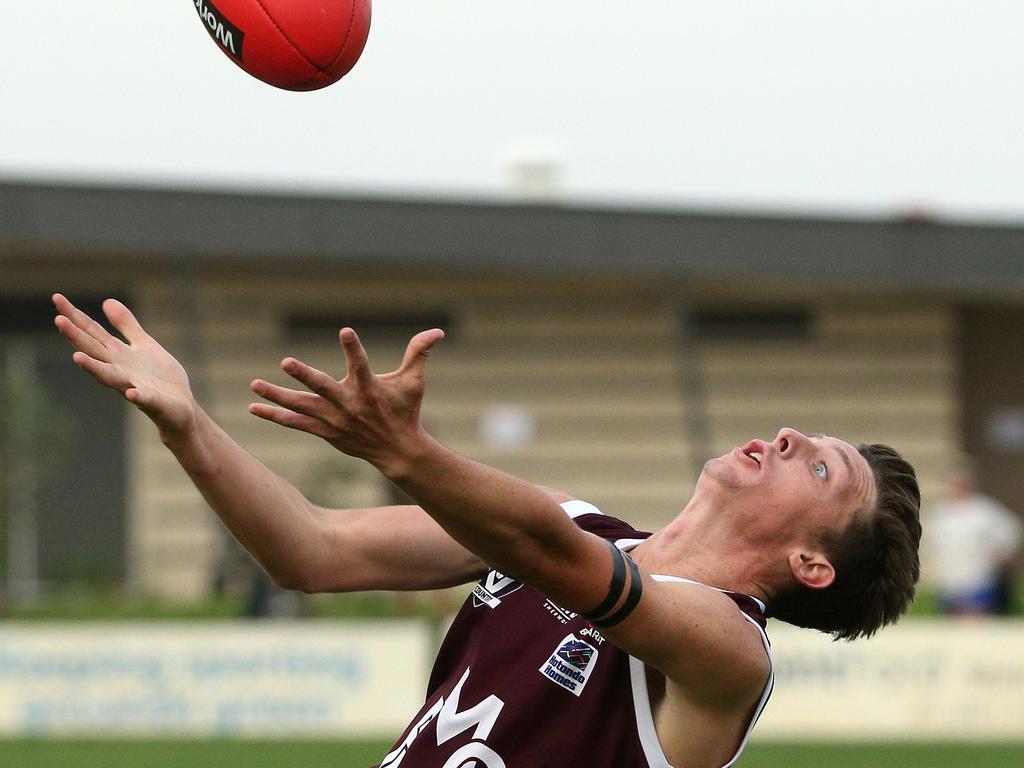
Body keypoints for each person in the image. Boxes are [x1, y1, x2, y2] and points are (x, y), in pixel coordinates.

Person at [52, 294, 922, 768]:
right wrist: (186, 424)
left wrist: (405, 452)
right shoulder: (572, 525)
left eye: (821, 471)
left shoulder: (730, 654)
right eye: (807, 439)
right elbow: (311, 550)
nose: (791, 439)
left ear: (811, 564)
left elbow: (554, 559)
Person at [926, 461, 1022, 616]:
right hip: (948, 584)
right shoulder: (941, 513)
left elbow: (1012, 532)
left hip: (978, 583)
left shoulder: (984, 509)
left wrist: (998, 558)